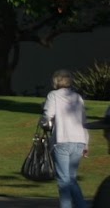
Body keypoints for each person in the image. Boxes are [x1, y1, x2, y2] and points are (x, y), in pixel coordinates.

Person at [42, 69, 90, 208]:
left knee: (63, 180)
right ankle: (82, 206)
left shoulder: (53, 95)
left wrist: (43, 121)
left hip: (62, 139)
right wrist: (86, 144)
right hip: (79, 140)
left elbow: (48, 116)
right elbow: (83, 121)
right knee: (71, 178)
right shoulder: (77, 97)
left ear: (56, 81)